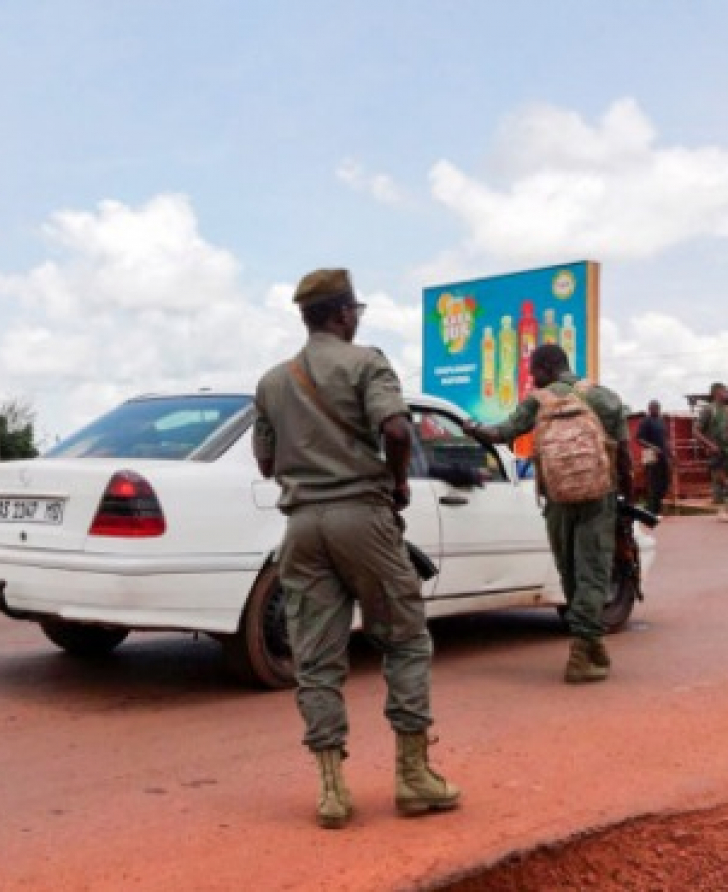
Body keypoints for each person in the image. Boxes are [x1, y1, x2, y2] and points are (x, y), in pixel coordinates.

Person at [252, 268, 460, 830]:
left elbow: (266, 462)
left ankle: (331, 791)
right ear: (343, 313)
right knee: (405, 639)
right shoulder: (366, 361)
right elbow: (396, 430)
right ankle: (414, 777)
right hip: (363, 518)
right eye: (355, 312)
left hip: (300, 528)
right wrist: (396, 483)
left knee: (316, 658)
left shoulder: (272, 382)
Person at [463, 344, 632, 684]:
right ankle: (585, 650)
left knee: (569, 569)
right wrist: (624, 500)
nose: (531, 377)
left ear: (546, 367)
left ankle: (587, 645)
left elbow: (500, 433)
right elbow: (624, 455)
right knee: (593, 570)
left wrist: (470, 427)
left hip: (557, 498)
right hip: (599, 496)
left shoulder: (537, 402)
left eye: (533, 370)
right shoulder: (604, 398)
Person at [693, 382, 728, 521]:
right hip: (716, 451)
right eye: (724, 391)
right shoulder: (708, 410)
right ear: (716, 393)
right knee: (720, 481)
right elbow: (695, 431)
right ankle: (721, 511)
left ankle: (724, 510)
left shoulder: (726, 409)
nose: (726, 393)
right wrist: (709, 445)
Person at [635, 399, 671, 515]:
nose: (656, 410)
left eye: (658, 408)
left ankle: (656, 506)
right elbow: (639, 439)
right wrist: (653, 447)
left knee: (664, 481)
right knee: (652, 482)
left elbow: (665, 439)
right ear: (649, 408)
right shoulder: (645, 421)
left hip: (663, 455)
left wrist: (671, 453)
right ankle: (652, 510)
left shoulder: (661, 421)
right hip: (650, 455)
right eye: (654, 408)